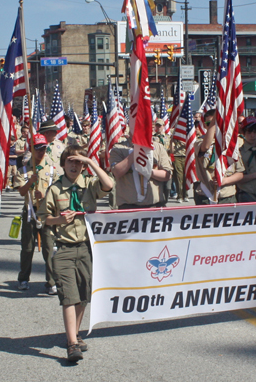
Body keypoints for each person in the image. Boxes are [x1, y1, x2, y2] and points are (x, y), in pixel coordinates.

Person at [38, 145, 113, 361]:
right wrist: (60, 220)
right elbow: (44, 217)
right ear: (63, 164)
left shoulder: (89, 185)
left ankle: (76, 333)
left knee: (83, 294)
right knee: (68, 296)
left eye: (78, 161)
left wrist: (91, 163)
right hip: (64, 248)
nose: (74, 165)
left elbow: (108, 184)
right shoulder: (55, 189)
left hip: (87, 247)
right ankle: (71, 343)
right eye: (70, 161)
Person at [13, 134, 60, 292]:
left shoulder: (52, 170)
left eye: (44, 148)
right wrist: (30, 183)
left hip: (46, 213)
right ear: (31, 149)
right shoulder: (23, 170)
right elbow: (21, 192)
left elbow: (58, 192)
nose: (41, 151)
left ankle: (51, 282)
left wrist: (45, 196)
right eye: (38, 148)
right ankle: (23, 278)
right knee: (27, 248)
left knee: (49, 248)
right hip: (30, 212)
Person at [110, 131, 173, 209]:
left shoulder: (158, 147)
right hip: (128, 206)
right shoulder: (118, 148)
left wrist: (149, 172)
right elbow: (117, 172)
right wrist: (136, 152)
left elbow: (167, 175)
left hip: (154, 205)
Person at [193, 109, 244, 205]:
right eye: (210, 124)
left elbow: (240, 172)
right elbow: (206, 146)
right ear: (204, 125)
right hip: (205, 195)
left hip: (227, 195)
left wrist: (225, 180)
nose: (215, 127)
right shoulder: (199, 142)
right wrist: (216, 118)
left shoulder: (230, 145)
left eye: (218, 123)